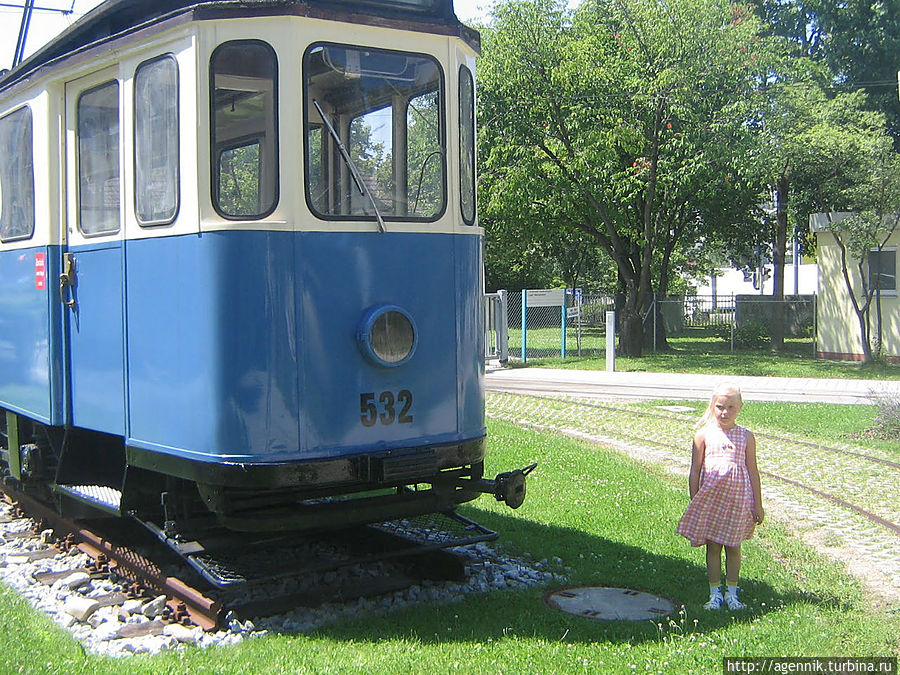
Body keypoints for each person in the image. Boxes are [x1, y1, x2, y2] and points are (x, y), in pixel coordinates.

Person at [676, 383, 764, 610]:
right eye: (720, 407)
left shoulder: (746, 437)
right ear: (713, 406)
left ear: (740, 408)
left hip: (738, 502)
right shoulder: (703, 435)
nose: (724, 412)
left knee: (734, 547)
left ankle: (732, 594)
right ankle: (714, 593)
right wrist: (695, 499)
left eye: (730, 408)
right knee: (713, 546)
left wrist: (758, 504)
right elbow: (695, 470)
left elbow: (753, 471)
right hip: (712, 502)